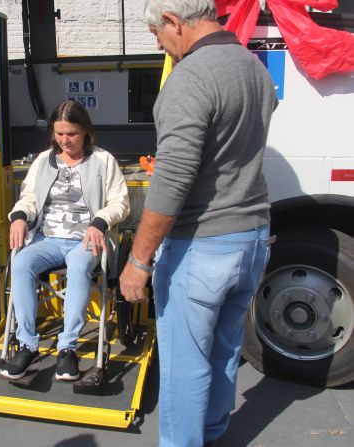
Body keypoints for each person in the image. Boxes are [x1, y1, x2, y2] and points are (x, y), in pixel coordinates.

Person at [119, 0, 278, 445]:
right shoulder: (253, 67)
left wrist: (139, 260)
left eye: (158, 36)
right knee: (224, 350)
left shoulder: (191, 78)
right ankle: (211, 433)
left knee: (184, 365)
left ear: (174, 22)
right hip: (252, 237)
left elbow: (173, 181)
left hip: (203, 245)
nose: (162, 47)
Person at [0, 100, 129, 381]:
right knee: (20, 263)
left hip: (86, 239)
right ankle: (27, 344)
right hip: (47, 237)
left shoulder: (103, 160)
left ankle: (67, 348)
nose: (64, 140)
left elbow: (120, 203)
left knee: (80, 266)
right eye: (59, 134)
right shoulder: (43, 161)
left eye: (71, 133)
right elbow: (29, 198)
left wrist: (99, 223)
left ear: (85, 131)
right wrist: (20, 216)